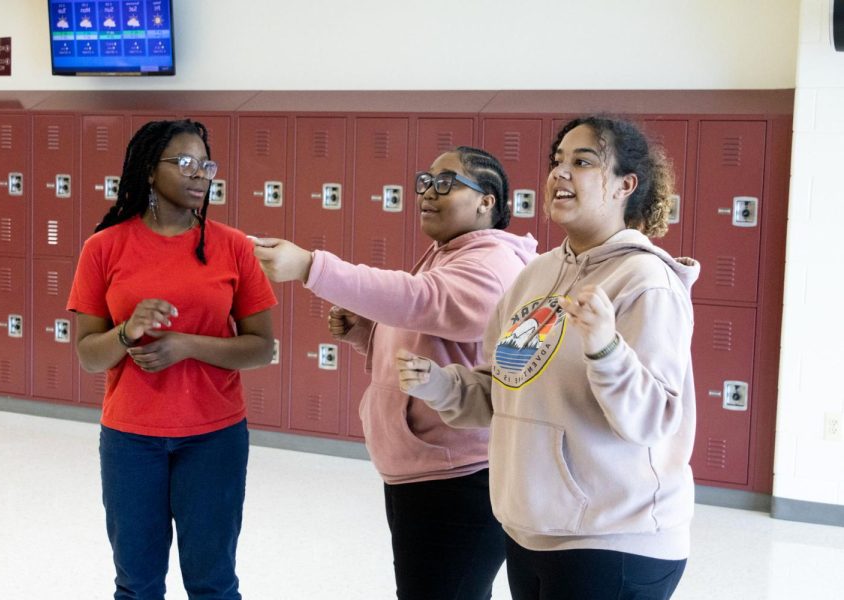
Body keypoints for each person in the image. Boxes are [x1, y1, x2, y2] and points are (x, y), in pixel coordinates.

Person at [398, 116, 699, 600]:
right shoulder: (535, 276)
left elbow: (653, 418)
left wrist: (605, 347)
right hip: (532, 528)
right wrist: (438, 385)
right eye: (557, 162)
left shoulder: (646, 282)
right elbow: (504, 388)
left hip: (614, 538)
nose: (560, 173)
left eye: (582, 162)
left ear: (626, 185)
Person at [253, 146, 538, 599]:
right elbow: (438, 332)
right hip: (425, 468)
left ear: (487, 201)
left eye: (445, 183)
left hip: (458, 477)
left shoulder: (493, 262)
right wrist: (369, 334)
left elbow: (422, 300)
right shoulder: (453, 252)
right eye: (425, 182)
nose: (427, 193)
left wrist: (311, 266)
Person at [66, 119, 276, 599]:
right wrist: (127, 330)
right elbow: (89, 356)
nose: (200, 174)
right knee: (137, 583)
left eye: (206, 165)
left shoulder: (233, 247)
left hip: (214, 438)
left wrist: (185, 345)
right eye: (184, 163)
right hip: (130, 441)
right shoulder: (103, 247)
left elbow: (261, 346)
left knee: (213, 583)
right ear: (147, 170)